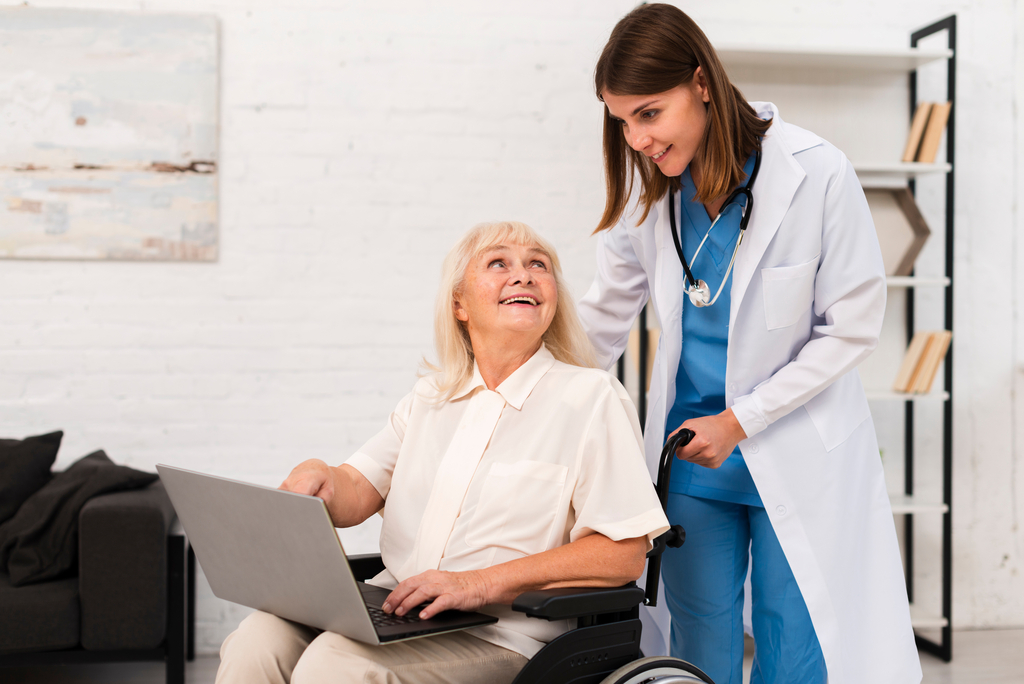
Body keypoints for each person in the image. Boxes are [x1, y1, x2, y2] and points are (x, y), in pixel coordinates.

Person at [577, 4, 921, 684]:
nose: (637, 138)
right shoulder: (651, 201)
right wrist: (519, 402)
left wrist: (743, 419)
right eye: (622, 121)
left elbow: (851, 327)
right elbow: (597, 325)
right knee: (694, 642)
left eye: (649, 113)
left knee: (793, 645)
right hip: (694, 461)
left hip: (793, 445)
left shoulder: (816, 173)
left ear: (701, 83)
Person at [216, 221, 670, 684]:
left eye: (539, 264)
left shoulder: (591, 397)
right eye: (499, 263)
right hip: (400, 611)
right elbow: (358, 487)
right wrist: (322, 477)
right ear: (459, 304)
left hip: (504, 636)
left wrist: (476, 584)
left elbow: (624, 554)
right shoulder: (431, 397)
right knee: (257, 640)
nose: (524, 275)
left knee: (336, 666)